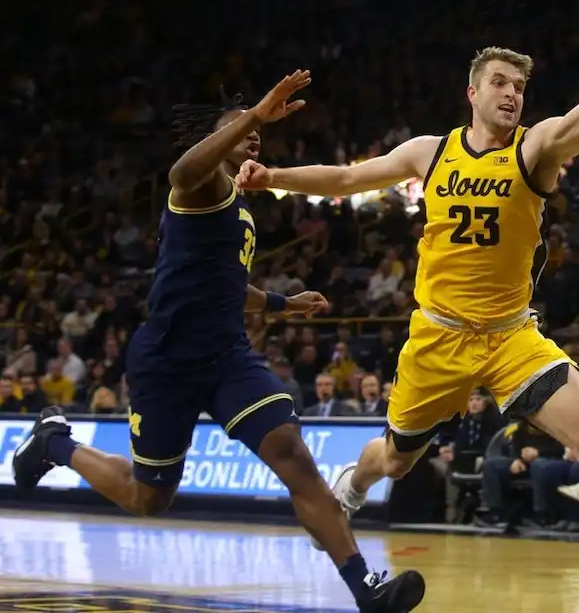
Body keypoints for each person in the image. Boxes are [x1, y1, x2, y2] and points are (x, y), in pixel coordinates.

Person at [237, 22, 579, 613]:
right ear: (473, 92)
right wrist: (274, 177)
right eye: (499, 83)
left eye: (518, 87)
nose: (511, 94)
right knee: (395, 460)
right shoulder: (429, 152)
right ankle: (354, 485)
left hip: (511, 336)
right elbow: (350, 179)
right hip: (438, 338)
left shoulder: (535, 149)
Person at [11, 73, 425, 613]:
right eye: (238, 130)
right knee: (148, 498)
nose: (253, 137)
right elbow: (181, 169)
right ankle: (55, 443)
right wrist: (254, 114)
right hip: (167, 360)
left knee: (294, 457)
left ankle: (365, 589)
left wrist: (284, 305)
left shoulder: (239, 204)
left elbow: (231, 285)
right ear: (215, 139)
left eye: (255, 133)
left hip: (227, 357)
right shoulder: (199, 185)